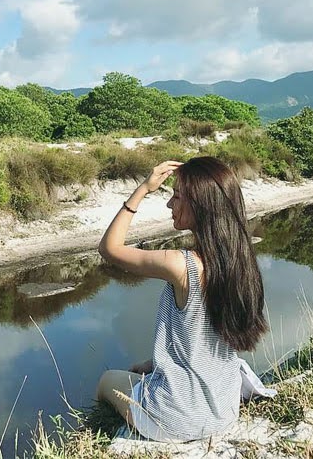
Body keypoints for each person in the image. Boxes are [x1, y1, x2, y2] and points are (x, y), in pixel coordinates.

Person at [95, 156, 274, 442]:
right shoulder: (241, 260)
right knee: (142, 374)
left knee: (106, 382)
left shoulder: (182, 265)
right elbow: (204, 335)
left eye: (176, 197)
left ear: (200, 206)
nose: (169, 205)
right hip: (224, 411)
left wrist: (143, 189)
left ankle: (100, 429)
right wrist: (154, 362)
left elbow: (110, 248)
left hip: (178, 419)